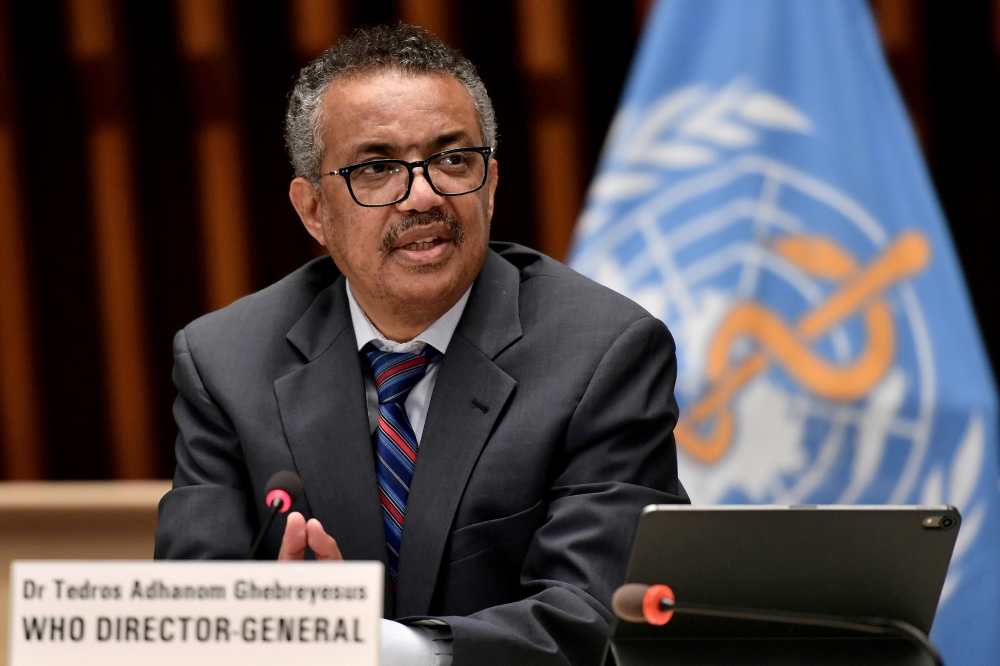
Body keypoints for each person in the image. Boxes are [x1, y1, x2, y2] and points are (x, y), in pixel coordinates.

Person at [155, 23, 688, 666]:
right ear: (314, 211)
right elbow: (193, 617)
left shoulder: (603, 353)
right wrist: (275, 624)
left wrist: (369, 645)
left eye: (453, 160)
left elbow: (597, 616)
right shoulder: (225, 363)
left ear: (491, 184)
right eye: (377, 168)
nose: (425, 195)